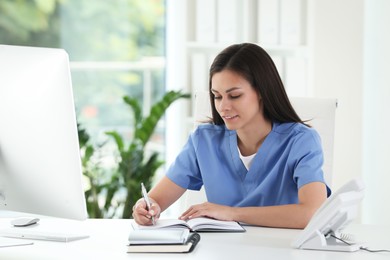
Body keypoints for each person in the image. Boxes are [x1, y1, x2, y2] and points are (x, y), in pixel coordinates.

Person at [132, 43, 330, 229]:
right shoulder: (204, 140)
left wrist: (232, 213)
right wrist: (145, 206)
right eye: (217, 96)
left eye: (234, 95)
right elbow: (156, 200)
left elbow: (313, 212)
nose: (223, 107)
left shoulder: (301, 141)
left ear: (262, 91)